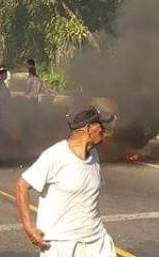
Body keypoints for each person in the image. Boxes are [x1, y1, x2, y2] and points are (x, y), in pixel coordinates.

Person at [15, 106, 117, 256]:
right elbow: (21, 186)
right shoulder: (55, 155)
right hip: (61, 244)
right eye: (100, 125)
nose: (104, 130)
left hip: (96, 240)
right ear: (88, 129)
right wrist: (28, 227)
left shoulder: (93, 154)